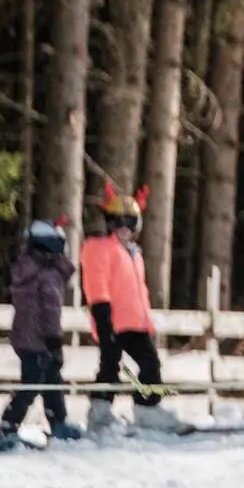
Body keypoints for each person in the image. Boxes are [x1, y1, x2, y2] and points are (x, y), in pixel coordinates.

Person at [81, 183, 179, 433]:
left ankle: (148, 409)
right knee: (110, 366)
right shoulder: (98, 247)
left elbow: (140, 291)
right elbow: (96, 282)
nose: (124, 228)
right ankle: (100, 413)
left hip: (136, 322)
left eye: (130, 222)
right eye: (118, 222)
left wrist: (148, 322)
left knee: (151, 364)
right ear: (109, 222)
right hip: (112, 321)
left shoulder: (134, 253)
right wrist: (102, 317)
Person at [0, 220, 85, 450]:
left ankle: (57, 422)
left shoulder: (28, 271)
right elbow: (50, 310)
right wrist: (54, 339)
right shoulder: (47, 275)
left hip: (27, 338)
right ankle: (9, 425)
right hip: (40, 340)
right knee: (33, 384)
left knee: (52, 380)